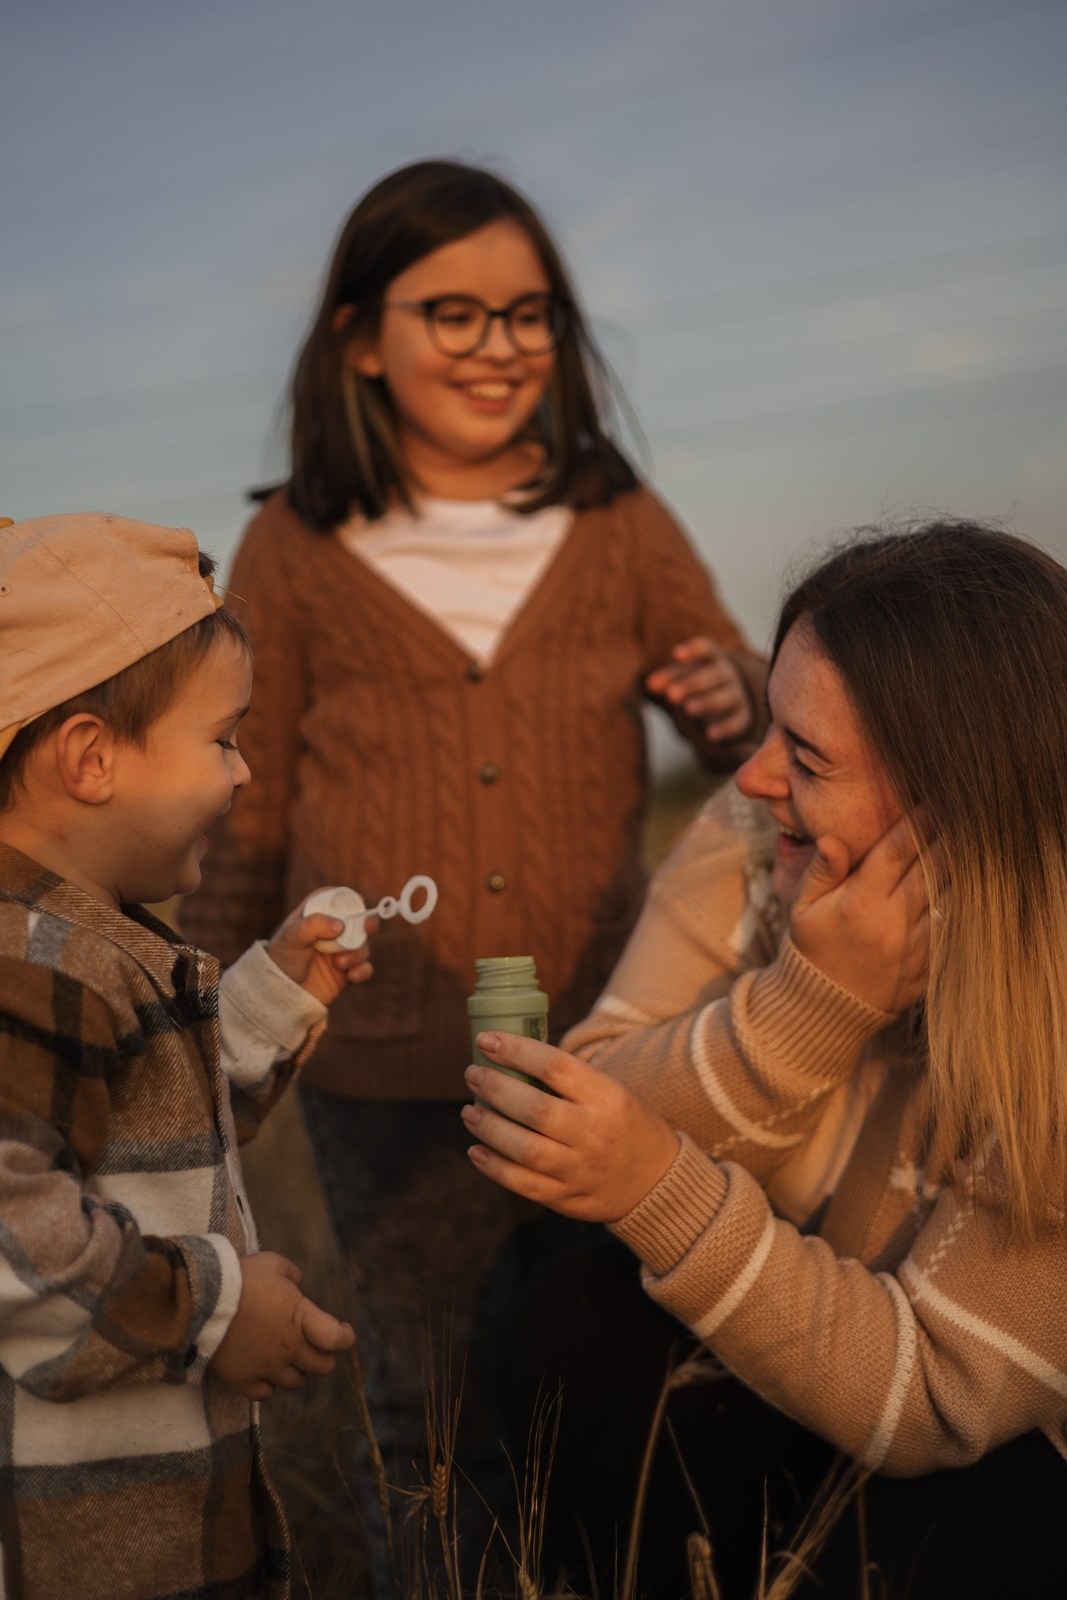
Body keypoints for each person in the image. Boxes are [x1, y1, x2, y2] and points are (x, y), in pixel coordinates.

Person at [182, 157, 766, 1564]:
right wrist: (197, 1016)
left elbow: (747, 685)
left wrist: (731, 696)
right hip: (389, 1062)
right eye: (452, 312)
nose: (498, 344)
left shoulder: (612, 514)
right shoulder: (294, 544)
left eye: (528, 313)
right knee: (428, 1403)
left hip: (611, 1037)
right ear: (357, 340)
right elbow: (246, 802)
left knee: (608, 1370)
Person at [461, 519, 1067, 1600]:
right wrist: (805, 1010)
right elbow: (589, 1091)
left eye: (807, 756)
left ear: (957, 809)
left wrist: (659, 1185)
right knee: (569, 1317)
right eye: (770, 726)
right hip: (809, 1339)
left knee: (926, 1543)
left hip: (988, 1440)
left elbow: (933, 1393)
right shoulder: (757, 834)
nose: (750, 775)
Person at [0, 512, 375, 1600]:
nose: (245, 771)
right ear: (91, 758)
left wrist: (272, 998)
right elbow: (14, 1247)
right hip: (86, 1556)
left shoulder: (89, 943)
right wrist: (219, 1310)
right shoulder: (35, 966)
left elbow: (151, 1130)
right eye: (222, 740)